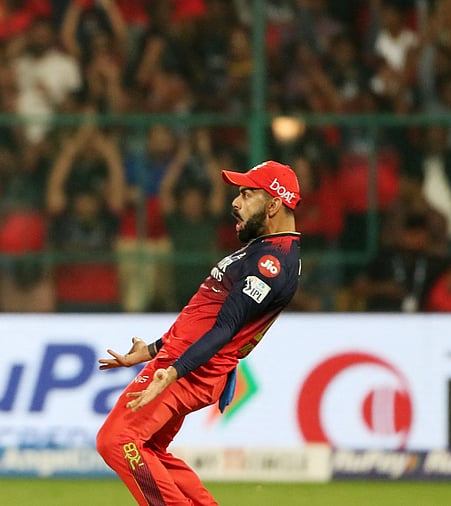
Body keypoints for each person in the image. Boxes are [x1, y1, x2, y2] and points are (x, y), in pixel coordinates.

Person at [96, 160, 301, 506]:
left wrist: (172, 371)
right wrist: (151, 350)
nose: (235, 203)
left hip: (189, 368)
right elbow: (206, 320)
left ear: (274, 204)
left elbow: (225, 330)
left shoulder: (272, 264)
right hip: (184, 362)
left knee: (116, 440)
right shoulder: (264, 251)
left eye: (246, 194)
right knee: (149, 448)